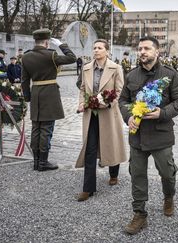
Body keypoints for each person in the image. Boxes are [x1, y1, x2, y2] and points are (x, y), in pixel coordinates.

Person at [119, 36, 178, 235]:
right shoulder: (131, 76)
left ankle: (168, 196)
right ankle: (139, 213)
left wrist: (163, 113)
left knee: (167, 172)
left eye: (147, 48)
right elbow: (123, 100)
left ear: (157, 52)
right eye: (140, 49)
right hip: (137, 135)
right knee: (137, 173)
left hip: (161, 133)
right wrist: (128, 116)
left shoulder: (169, 74)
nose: (142, 52)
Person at [75, 39, 127, 201]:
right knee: (90, 148)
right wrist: (82, 103)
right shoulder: (86, 68)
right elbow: (83, 88)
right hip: (91, 114)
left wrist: (107, 102)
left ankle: (113, 173)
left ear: (107, 51)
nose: (96, 50)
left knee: (111, 143)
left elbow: (119, 91)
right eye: (94, 47)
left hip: (109, 113)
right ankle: (88, 188)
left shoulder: (116, 68)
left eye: (99, 48)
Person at [21, 28, 76, 171]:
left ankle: (36, 161)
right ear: (47, 42)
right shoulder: (51, 55)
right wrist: (62, 45)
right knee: (46, 128)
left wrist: (27, 98)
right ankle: (43, 163)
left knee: (36, 128)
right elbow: (72, 58)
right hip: (49, 94)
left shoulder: (26, 57)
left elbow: (24, 81)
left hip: (35, 94)